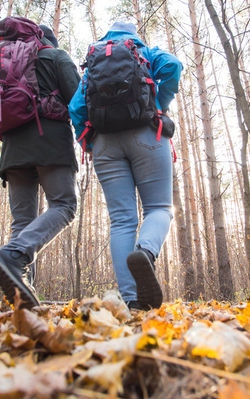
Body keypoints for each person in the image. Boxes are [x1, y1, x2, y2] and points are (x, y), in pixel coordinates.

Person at [69, 22, 182, 310]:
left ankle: (132, 300)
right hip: (148, 132)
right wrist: (159, 103)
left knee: (121, 220)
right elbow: (172, 66)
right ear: (133, 35)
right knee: (159, 208)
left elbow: (76, 108)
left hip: (105, 144)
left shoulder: (95, 59)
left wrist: (89, 145)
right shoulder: (144, 51)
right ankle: (145, 251)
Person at [0, 25, 79, 309]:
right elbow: (77, 99)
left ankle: (20, 297)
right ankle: (14, 254)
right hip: (50, 143)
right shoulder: (55, 55)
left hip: (12, 149)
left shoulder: (8, 62)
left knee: (22, 221)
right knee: (64, 206)